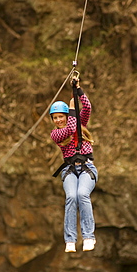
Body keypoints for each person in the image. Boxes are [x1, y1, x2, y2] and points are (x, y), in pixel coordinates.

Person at [50, 78, 98, 253]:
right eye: (55, 118)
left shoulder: (79, 123)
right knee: (71, 197)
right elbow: (70, 130)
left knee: (82, 194)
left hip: (86, 168)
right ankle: (70, 240)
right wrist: (71, 107)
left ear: (66, 116)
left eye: (61, 116)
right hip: (70, 170)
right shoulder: (56, 134)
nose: (58, 120)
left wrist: (78, 91)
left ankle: (88, 237)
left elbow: (87, 108)